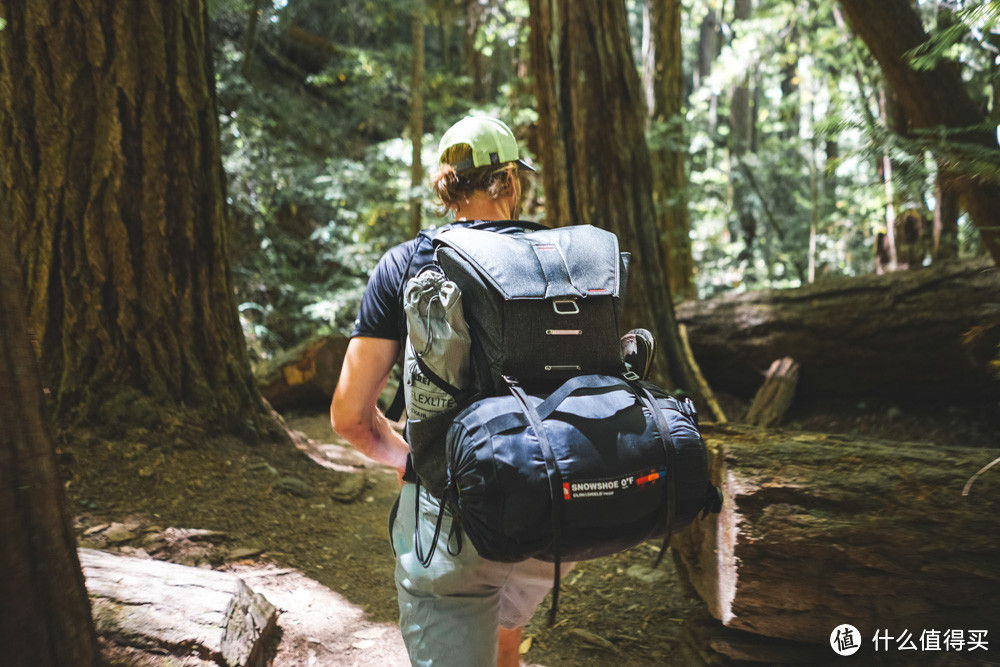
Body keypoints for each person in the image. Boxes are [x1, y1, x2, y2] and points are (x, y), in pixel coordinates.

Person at [331, 116, 560, 666]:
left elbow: (349, 418)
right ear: (509, 181)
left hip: (454, 522)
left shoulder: (405, 266)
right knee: (506, 630)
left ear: (446, 184)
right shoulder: (559, 259)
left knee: (464, 602)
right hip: (553, 515)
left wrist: (408, 457)